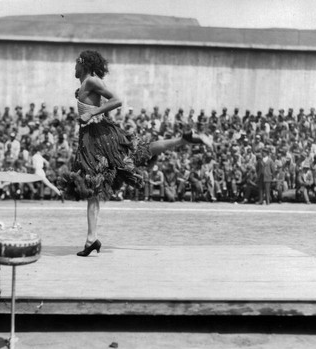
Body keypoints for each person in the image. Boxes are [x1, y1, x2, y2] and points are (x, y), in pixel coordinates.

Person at [60, 50, 212, 256]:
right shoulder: (85, 84)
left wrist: (92, 111)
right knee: (94, 187)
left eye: (76, 64)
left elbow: (117, 100)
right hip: (91, 137)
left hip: (101, 137)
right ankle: (91, 239)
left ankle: (183, 139)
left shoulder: (91, 81)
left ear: (83, 65)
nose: (73, 68)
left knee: (137, 155)